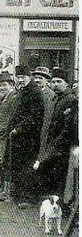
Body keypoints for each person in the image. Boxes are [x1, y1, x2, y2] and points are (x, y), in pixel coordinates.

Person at [34, 67, 78, 204]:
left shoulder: (71, 100)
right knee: (52, 177)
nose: (55, 84)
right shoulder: (53, 99)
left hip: (62, 148)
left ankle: (62, 206)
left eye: (59, 81)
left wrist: (55, 145)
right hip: (51, 144)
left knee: (62, 178)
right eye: (53, 81)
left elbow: (68, 128)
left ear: (66, 84)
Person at [9, 65, 45, 209]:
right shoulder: (22, 91)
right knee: (19, 165)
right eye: (18, 77)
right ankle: (19, 195)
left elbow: (34, 116)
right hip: (20, 136)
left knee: (28, 166)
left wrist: (18, 128)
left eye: (23, 77)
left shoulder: (34, 92)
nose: (20, 80)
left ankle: (29, 198)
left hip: (29, 137)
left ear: (29, 77)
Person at [0, 72, 18, 201]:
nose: (2, 88)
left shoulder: (13, 97)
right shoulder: (6, 97)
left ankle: (7, 192)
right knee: (2, 160)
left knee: (5, 161)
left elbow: (10, 117)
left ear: (11, 85)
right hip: (1, 133)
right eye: (0, 85)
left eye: (4, 85)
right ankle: (3, 190)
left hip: (6, 134)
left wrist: (5, 130)